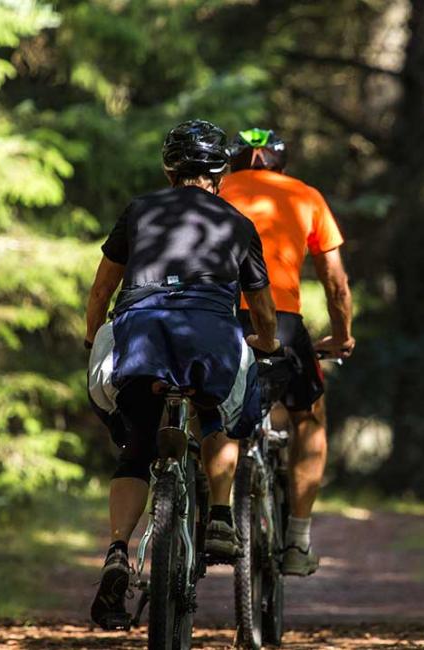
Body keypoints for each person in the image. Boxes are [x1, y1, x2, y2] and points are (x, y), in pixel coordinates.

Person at [83, 120, 281, 630]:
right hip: (210, 335)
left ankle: (118, 550)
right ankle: (218, 517)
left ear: (168, 170)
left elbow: (102, 289)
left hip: (141, 333)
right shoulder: (236, 222)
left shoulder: (139, 211)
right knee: (220, 414)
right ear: (220, 172)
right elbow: (260, 305)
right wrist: (267, 342)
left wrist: (91, 337)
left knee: (140, 443)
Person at [218, 127, 355, 577]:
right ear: (282, 161)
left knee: (211, 410)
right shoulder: (306, 196)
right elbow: (335, 281)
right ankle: (297, 540)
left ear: (235, 160)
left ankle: (208, 511)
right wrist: (341, 335)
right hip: (281, 321)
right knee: (308, 416)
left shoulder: (216, 188)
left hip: (215, 319)